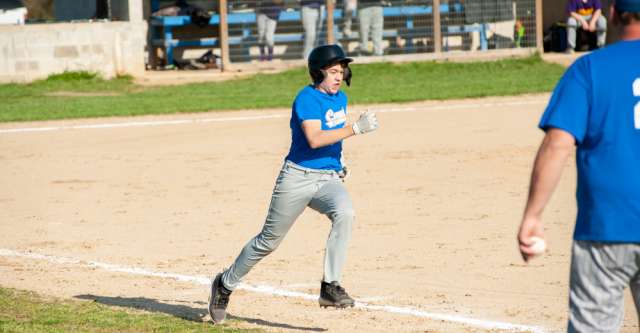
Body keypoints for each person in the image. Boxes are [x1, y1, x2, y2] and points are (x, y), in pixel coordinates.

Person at [208, 44, 379, 324]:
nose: (339, 76)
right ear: (318, 72)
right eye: (333, 71)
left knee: (345, 213)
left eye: (341, 71)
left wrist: (340, 162)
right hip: (296, 178)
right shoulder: (306, 99)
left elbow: (333, 135)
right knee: (268, 242)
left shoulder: (341, 98)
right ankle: (224, 284)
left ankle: (330, 287)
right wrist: (356, 129)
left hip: (326, 179)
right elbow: (314, 138)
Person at [517, 0, 640, 331]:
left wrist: (533, 216)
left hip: (606, 228)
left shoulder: (590, 69)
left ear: (613, 15)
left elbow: (558, 143)